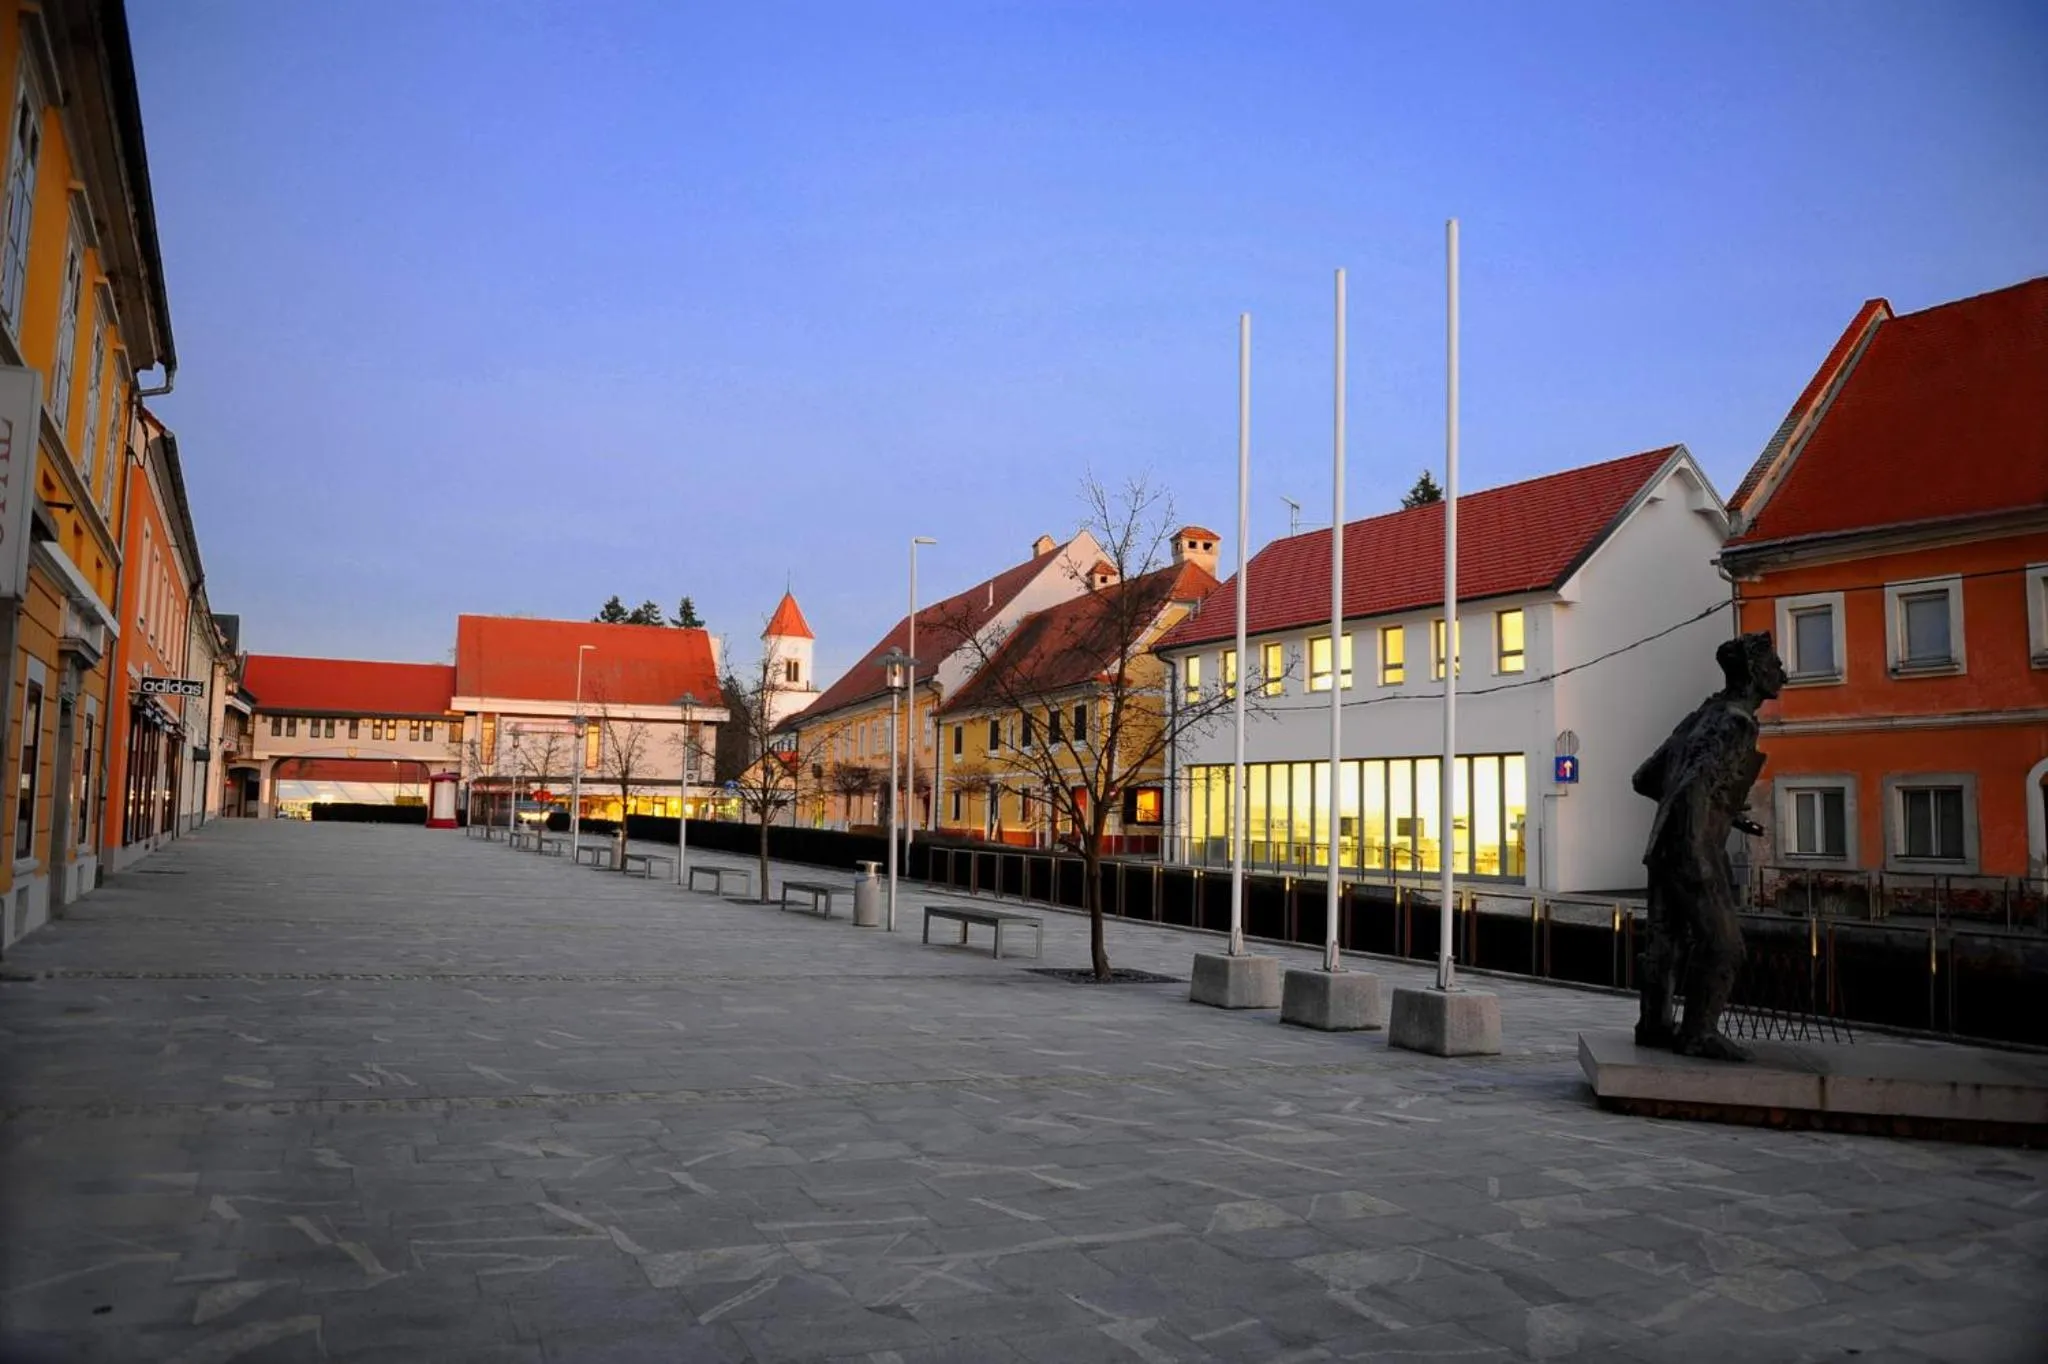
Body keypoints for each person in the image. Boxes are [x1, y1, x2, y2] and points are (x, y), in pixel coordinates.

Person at [1632, 631, 1785, 1061]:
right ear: (1755, 673)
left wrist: (1724, 808)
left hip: (1662, 844)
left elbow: (1647, 778)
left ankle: (1654, 1025)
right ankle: (1699, 1034)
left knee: (1666, 940)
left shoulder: (1699, 716)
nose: (1783, 675)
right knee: (1723, 944)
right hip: (1692, 848)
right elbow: (1694, 786)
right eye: (1774, 666)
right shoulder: (1737, 722)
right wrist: (1700, 843)